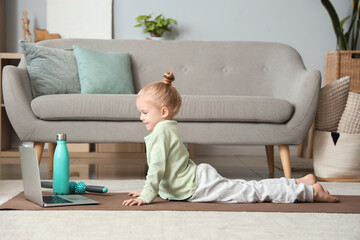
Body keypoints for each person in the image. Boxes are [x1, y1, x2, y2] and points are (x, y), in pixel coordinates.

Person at [123, 72, 339, 206]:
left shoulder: (161, 132)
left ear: (162, 112)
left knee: (251, 193)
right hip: (196, 179)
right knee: (246, 186)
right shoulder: (166, 129)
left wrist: (148, 194)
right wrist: (149, 189)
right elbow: (167, 170)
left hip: (198, 185)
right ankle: (298, 182)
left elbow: (158, 168)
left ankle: (309, 192)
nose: (141, 117)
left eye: (144, 112)